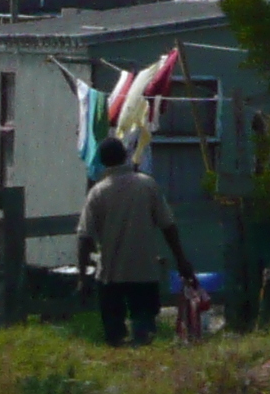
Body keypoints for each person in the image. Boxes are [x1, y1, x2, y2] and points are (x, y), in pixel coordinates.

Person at [77, 136, 201, 346]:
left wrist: (82, 276)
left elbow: (84, 237)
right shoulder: (147, 185)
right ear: (125, 156)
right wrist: (181, 260)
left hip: (111, 274)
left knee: (114, 336)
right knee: (145, 334)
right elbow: (168, 226)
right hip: (144, 270)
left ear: (103, 162)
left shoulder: (98, 193)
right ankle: (143, 367)